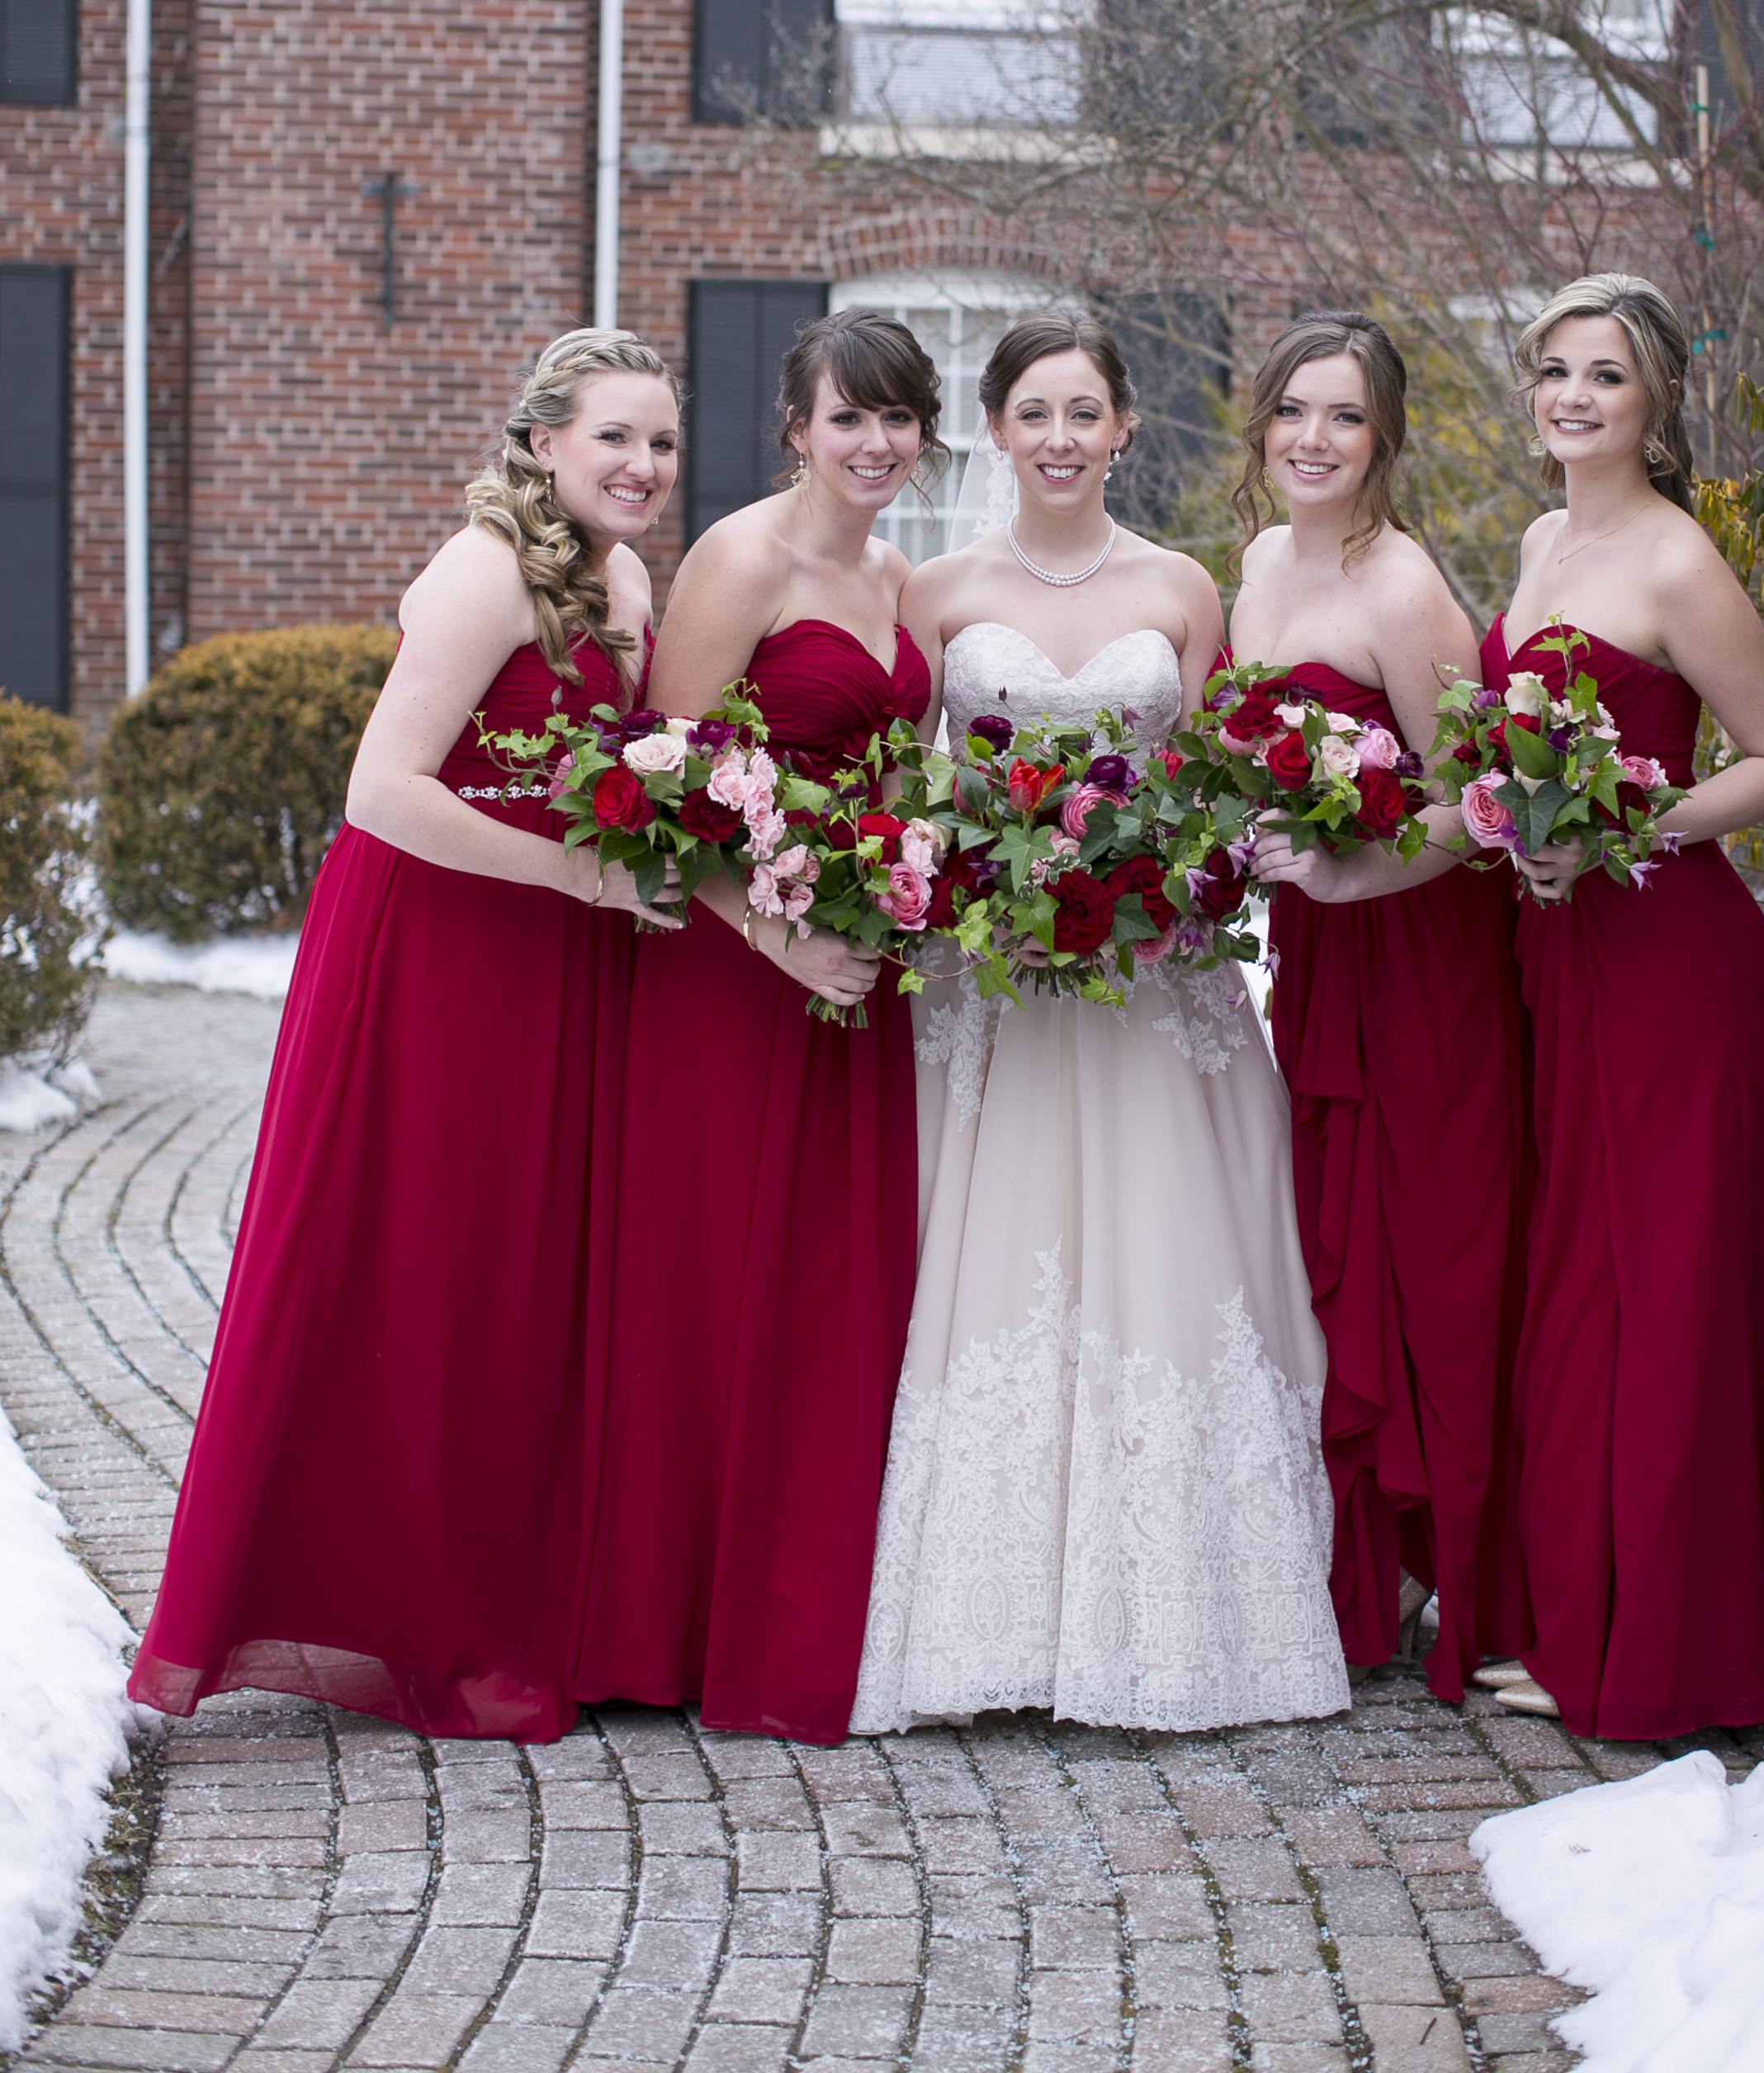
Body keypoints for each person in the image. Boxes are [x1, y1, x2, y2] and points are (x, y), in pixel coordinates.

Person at [129, 329, 681, 1740]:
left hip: (549, 956)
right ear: (545, 441)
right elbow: (385, 790)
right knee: (424, 1260)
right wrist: (577, 873)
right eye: (614, 437)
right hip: (434, 953)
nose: (642, 466)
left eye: (663, 443)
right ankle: (416, 1615)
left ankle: (514, 1588)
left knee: (519, 1271)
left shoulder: (622, 578)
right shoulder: (483, 569)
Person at [850, 309, 1350, 1735]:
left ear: (1125, 427)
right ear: (997, 432)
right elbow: (903, 790)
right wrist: (958, 869)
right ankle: (986, 1612)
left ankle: (1184, 1613)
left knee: (1161, 1257)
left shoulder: (1188, 589)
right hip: (994, 987)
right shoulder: (935, 591)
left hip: (1147, 979)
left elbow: (1222, 777)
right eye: (1034, 415)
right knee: (999, 1269)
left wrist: (1175, 867)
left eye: (1087, 413)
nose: (1061, 439)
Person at [575, 308, 938, 1745]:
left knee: (836, 1289)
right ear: (797, 429)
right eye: (849, 417)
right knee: (716, 1283)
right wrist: (780, 937)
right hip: (736, 972)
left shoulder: (900, 573)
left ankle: (808, 1615)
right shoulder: (738, 557)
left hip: (862, 960)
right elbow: (658, 783)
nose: (876, 444)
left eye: (899, 418)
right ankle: (665, 1628)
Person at [1480, 271, 1764, 1733]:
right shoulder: (1543, 536)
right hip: (1562, 954)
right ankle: (1583, 1612)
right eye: (1556, 369)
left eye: (1605, 375)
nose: (1574, 396)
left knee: (1667, 1285)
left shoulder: (1680, 562)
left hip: (1672, 960)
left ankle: (1670, 1647)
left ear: (1656, 399)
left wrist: (1632, 829)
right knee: (1578, 1278)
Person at [1238, 314, 1532, 1706]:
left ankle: (1469, 1573)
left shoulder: (1405, 587)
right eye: (1295, 410)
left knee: (1440, 1253)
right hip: (1323, 950)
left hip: (1423, 957)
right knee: (1331, 1240)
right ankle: (1361, 1566)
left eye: (1344, 417)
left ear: (1385, 437)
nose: (1314, 438)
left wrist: (1359, 881)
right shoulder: (1252, 565)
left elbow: (1484, 804)